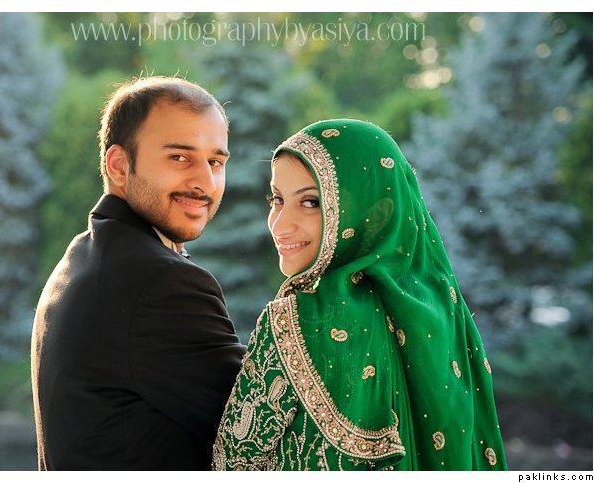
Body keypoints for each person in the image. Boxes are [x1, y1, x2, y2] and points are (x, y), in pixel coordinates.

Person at [212, 119, 507, 470]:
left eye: (311, 202)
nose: (279, 224)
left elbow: (231, 464)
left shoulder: (295, 321)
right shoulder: (445, 315)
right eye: (277, 199)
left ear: (375, 214)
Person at [31, 76, 246, 470]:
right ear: (119, 165)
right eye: (179, 157)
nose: (205, 182)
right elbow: (266, 426)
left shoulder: (83, 254)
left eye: (215, 162)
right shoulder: (161, 283)